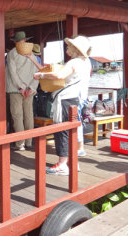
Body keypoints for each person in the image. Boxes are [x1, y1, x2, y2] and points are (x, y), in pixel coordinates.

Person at [32, 35, 91, 175]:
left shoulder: (73, 62)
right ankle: (73, 163)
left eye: (70, 46)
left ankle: (62, 164)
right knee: (71, 132)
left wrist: (41, 76)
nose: (67, 48)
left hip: (65, 100)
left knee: (62, 131)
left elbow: (59, 76)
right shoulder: (85, 62)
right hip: (75, 100)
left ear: (75, 49)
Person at [6, 31, 39, 151]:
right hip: (30, 90)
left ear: (15, 41)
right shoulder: (33, 55)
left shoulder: (12, 53)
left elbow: (12, 73)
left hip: (16, 90)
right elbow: (37, 75)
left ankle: (20, 144)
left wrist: (20, 88)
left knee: (17, 116)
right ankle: (29, 141)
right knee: (28, 115)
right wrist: (30, 88)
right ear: (25, 40)